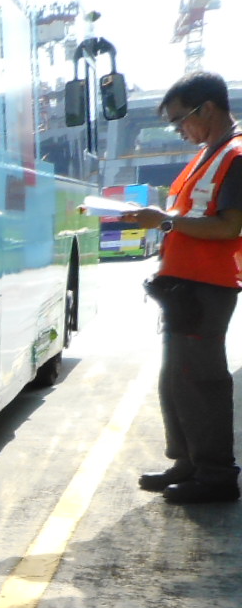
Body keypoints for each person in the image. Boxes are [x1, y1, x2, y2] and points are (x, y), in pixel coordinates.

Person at [124, 71, 242, 504]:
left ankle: (216, 475)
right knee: (176, 377)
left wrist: (166, 223)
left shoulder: (234, 156)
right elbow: (189, 213)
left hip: (207, 284)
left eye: (180, 120)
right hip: (184, 285)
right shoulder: (207, 155)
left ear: (206, 108)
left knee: (200, 378)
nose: (179, 130)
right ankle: (188, 462)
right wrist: (159, 220)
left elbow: (229, 226)